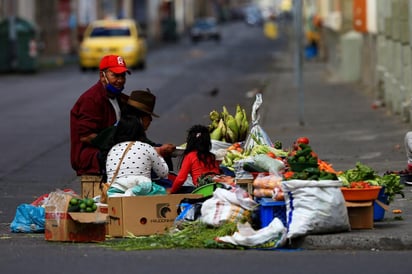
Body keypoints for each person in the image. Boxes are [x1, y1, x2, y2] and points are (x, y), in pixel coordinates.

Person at [70, 54, 131, 176]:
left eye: (123, 76)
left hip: (112, 151)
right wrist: (118, 146)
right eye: (115, 75)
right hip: (91, 157)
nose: (120, 80)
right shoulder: (91, 99)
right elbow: (86, 136)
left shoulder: (119, 98)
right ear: (102, 76)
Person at [105, 115, 169, 196]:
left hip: (114, 193)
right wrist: (159, 154)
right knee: (162, 190)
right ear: (140, 130)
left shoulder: (112, 150)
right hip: (140, 192)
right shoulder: (146, 147)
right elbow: (163, 173)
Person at [169, 125, 221, 194]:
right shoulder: (212, 156)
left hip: (202, 190)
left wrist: (171, 192)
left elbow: (180, 179)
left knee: (180, 189)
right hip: (217, 188)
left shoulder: (190, 156)